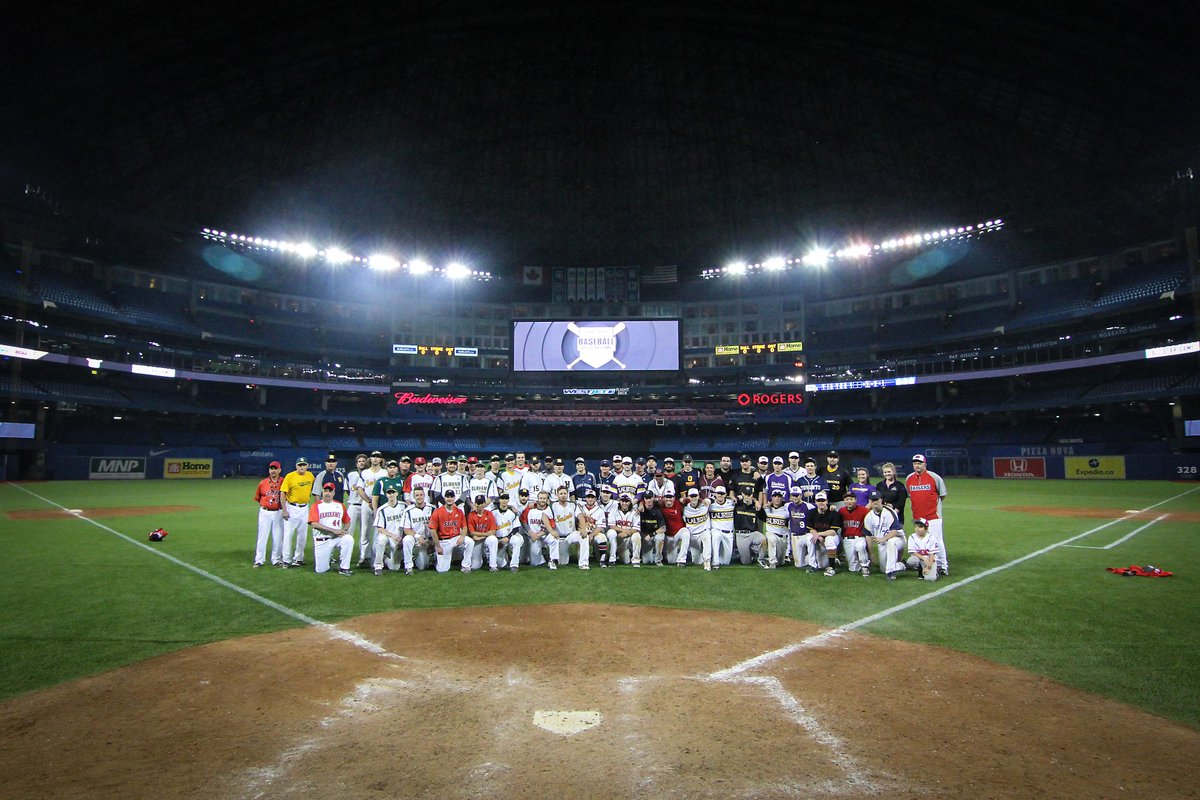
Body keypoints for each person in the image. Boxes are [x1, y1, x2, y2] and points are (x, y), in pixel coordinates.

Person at [906, 454, 949, 575]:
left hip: (933, 516)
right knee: (921, 543)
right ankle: (925, 565)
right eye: (915, 463)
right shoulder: (909, 479)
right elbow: (911, 496)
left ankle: (942, 566)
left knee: (937, 542)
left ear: (925, 464)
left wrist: (934, 506)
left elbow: (942, 494)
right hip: (918, 518)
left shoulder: (934, 477)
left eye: (919, 463)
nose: (917, 465)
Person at [307, 482, 354, 575]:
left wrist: (344, 531)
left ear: (333, 493)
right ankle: (326, 560)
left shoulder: (339, 505)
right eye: (325, 491)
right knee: (321, 570)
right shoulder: (316, 506)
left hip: (337, 538)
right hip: (322, 540)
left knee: (348, 539)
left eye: (330, 491)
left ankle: (344, 568)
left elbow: (347, 521)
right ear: (322, 492)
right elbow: (314, 524)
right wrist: (334, 531)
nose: (327, 493)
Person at [280, 456, 315, 567]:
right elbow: (283, 493)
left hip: (304, 508)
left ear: (307, 466)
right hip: (292, 507)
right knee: (288, 534)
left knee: (302, 535)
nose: (302, 467)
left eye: (304, 465)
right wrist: (284, 510)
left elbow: (313, 490)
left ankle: (298, 558)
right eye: (300, 465)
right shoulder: (290, 476)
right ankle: (286, 560)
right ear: (296, 466)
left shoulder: (310, 475)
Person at [428, 489, 473, 573]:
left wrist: (462, 537)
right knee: (442, 570)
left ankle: (466, 566)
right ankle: (435, 557)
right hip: (443, 541)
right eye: (447, 497)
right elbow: (433, 530)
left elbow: (464, 527)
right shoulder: (438, 512)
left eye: (451, 497)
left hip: (456, 538)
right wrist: (437, 546)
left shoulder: (459, 511)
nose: (449, 499)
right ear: (444, 498)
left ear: (454, 498)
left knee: (470, 542)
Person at [864, 491, 905, 580]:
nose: (875, 502)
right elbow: (868, 535)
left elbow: (895, 531)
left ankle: (891, 573)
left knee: (891, 542)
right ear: (870, 501)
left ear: (881, 500)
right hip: (882, 543)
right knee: (883, 569)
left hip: (897, 539)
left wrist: (883, 539)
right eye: (873, 500)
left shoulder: (890, 512)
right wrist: (871, 553)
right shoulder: (868, 516)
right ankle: (902, 565)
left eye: (877, 500)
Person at [356, 450, 387, 566]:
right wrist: (369, 501)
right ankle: (364, 557)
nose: (375, 458)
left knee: (378, 532)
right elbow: (360, 489)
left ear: (381, 459)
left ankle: (375, 557)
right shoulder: (365, 473)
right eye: (373, 456)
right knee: (365, 531)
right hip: (367, 503)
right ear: (370, 459)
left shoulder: (384, 472)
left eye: (378, 456)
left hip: (380, 504)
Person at [252, 460, 284, 567]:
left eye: (275, 469)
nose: (273, 471)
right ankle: (259, 559)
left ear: (280, 470)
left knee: (278, 536)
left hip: (279, 512)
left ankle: (276, 559)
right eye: (271, 468)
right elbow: (258, 497)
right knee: (262, 536)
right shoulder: (263, 483)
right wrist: (266, 505)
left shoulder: (284, 482)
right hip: (265, 512)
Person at [550, 485, 590, 569]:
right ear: (557, 495)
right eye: (561, 493)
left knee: (584, 537)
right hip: (559, 537)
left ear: (568, 494)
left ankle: (583, 563)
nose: (563, 495)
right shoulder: (553, 506)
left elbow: (580, 517)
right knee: (563, 562)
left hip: (571, 535)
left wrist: (583, 529)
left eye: (565, 493)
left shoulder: (573, 505)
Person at [373, 486, 408, 575]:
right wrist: (392, 536)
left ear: (397, 493)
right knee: (381, 540)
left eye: (393, 492)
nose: (391, 495)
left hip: (399, 537)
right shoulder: (382, 509)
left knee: (394, 567)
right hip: (387, 535)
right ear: (386, 495)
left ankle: (384, 557)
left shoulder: (404, 506)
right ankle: (378, 566)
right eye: (389, 493)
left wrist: (402, 538)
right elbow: (380, 528)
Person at [808, 491, 843, 576]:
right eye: (819, 501)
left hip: (831, 538)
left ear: (827, 501)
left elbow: (833, 532)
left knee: (829, 539)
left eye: (823, 500)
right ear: (815, 502)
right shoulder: (812, 512)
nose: (821, 503)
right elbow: (811, 529)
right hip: (818, 538)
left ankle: (831, 568)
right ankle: (812, 564)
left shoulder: (834, 513)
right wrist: (817, 536)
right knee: (809, 538)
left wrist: (819, 534)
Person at [838, 490, 871, 577]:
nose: (849, 501)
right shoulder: (841, 511)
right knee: (853, 568)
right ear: (844, 501)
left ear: (855, 500)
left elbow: (872, 516)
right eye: (847, 499)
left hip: (859, 537)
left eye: (851, 499)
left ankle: (865, 567)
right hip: (847, 539)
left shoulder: (863, 510)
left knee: (860, 546)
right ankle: (861, 563)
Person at [401, 486, 434, 574]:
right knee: (407, 539)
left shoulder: (432, 508)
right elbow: (406, 529)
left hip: (428, 540)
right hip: (415, 540)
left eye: (421, 495)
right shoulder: (408, 510)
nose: (419, 497)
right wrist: (418, 536)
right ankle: (408, 567)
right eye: (417, 495)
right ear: (414, 497)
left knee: (423, 566)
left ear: (424, 495)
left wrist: (432, 540)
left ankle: (416, 558)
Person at [346, 453, 374, 556]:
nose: (361, 463)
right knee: (348, 531)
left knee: (365, 532)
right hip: (353, 505)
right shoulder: (351, 475)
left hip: (365, 505)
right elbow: (347, 490)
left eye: (363, 461)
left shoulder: (370, 474)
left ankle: (364, 556)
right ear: (356, 463)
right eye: (359, 461)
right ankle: (346, 555)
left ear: (367, 462)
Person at [521, 490, 556, 568]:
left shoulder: (549, 510)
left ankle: (552, 560)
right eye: (541, 498)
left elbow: (551, 527)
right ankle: (543, 554)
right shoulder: (530, 508)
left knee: (554, 538)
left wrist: (539, 535)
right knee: (534, 563)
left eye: (544, 498)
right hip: (533, 537)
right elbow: (523, 521)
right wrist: (531, 533)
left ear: (547, 500)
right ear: (537, 499)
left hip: (544, 535)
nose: (542, 500)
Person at [786, 485, 816, 571]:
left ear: (801, 495)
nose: (795, 497)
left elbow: (821, 507)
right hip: (795, 536)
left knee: (810, 540)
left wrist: (830, 507)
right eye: (793, 495)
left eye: (797, 495)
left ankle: (813, 564)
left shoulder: (808, 506)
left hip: (806, 534)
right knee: (799, 565)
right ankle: (815, 557)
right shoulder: (788, 505)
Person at [682, 487, 713, 570]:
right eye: (691, 496)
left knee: (707, 536)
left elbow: (713, 499)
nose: (693, 498)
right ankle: (702, 559)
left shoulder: (705, 504)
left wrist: (708, 500)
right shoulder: (684, 507)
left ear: (698, 496)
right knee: (696, 561)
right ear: (688, 497)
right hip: (693, 535)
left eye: (695, 496)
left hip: (703, 531)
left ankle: (707, 560)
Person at [489, 493, 522, 572]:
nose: (504, 501)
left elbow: (516, 528)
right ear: (499, 500)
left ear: (508, 500)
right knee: (499, 563)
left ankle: (514, 565)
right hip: (498, 540)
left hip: (509, 537)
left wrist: (508, 537)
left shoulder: (512, 513)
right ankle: (506, 558)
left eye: (506, 499)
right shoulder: (493, 513)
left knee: (517, 540)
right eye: (502, 498)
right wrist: (497, 540)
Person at [579, 489, 611, 567]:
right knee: (577, 557)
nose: (590, 499)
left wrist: (591, 535)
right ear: (585, 498)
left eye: (592, 497)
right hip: (581, 533)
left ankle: (603, 560)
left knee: (602, 537)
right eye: (588, 497)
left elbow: (600, 527)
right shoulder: (580, 508)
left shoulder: (600, 511)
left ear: (595, 499)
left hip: (594, 533)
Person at [733, 486, 764, 566]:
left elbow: (764, 518)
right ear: (742, 494)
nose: (747, 496)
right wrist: (737, 498)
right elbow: (727, 499)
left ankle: (761, 559)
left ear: (752, 495)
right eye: (745, 494)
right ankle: (750, 553)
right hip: (741, 534)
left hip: (753, 533)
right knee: (746, 562)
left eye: (749, 494)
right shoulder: (737, 505)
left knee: (762, 539)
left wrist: (757, 502)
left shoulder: (755, 506)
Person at [609, 493, 642, 566]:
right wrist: (623, 531)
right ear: (619, 501)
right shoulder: (614, 510)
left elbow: (636, 528)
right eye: (622, 501)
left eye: (626, 501)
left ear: (630, 502)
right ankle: (612, 558)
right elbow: (612, 526)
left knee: (637, 536)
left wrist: (627, 533)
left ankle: (636, 560)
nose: (624, 503)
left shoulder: (635, 512)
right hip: (619, 537)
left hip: (629, 536)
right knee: (611, 532)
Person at [707, 485, 735, 568]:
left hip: (729, 533)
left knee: (726, 562)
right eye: (718, 493)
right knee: (715, 535)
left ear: (726, 494)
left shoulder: (731, 503)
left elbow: (741, 498)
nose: (720, 495)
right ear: (715, 494)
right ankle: (715, 562)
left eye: (722, 493)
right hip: (716, 530)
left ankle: (718, 560)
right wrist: (708, 500)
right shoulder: (710, 505)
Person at [760, 489, 790, 569]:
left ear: (782, 498)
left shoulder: (786, 509)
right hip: (771, 534)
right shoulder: (766, 509)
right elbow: (759, 513)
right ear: (772, 498)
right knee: (771, 539)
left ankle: (776, 560)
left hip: (783, 538)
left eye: (779, 496)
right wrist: (764, 506)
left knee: (780, 562)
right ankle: (772, 562)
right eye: (775, 496)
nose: (777, 498)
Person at [467, 495, 498, 571]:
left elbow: (493, 532)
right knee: (475, 566)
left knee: (493, 539)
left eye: (481, 503)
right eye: (478, 503)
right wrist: (486, 534)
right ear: (475, 504)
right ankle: (482, 559)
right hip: (477, 541)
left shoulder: (489, 514)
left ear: (484, 504)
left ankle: (493, 566)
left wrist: (482, 536)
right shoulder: (471, 515)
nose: (479, 505)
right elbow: (471, 532)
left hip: (485, 539)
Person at [659, 493, 688, 566]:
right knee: (671, 561)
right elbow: (648, 501)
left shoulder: (678, 503)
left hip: (679, 532)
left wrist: (703, 500)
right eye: (667, 497)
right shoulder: (660, 506)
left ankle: (682, 560)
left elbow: (692, 499)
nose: (669, 499)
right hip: (668, 536)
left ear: (674, 498)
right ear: (663, 498)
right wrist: (641, 504)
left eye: (671, 497)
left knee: (686, 533)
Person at [638, 491, 667, 565]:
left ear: (653, 498)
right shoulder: (640, 510)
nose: (648, 500)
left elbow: (663, 528)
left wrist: (651, 535)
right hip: (644, 536)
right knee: (647, 561)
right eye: (646, 498)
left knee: (660, 538)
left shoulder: (657, 510)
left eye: (650, 498)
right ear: (644, 499)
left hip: (654, 535)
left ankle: (658, 559)